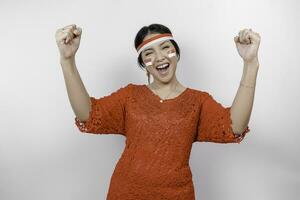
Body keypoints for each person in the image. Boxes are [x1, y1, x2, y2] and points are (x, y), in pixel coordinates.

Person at [55, 23, 260, 199]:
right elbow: (89, 115)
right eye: (149, 53)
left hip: (178, 195)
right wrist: (67, 61)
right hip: (125, 192)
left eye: (165, 48)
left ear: (177, 54)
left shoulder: (198, 101)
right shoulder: (130, 96)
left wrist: (250, 64)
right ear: (144, 64)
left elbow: (234, 126)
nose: (159, 57)